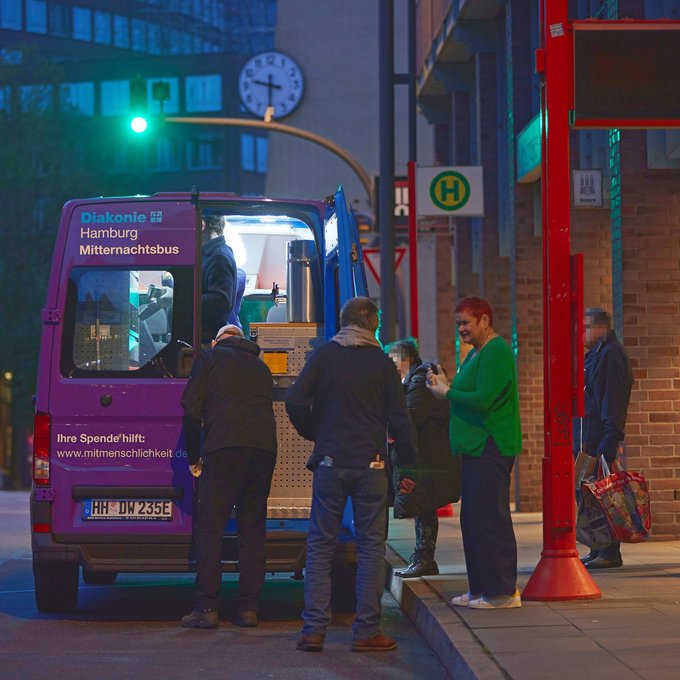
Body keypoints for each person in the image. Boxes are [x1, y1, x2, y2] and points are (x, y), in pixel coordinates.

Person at [285, 296, 418, 653]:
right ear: (372, 324)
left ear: (344, 323)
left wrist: (315, 432)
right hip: (371, 466)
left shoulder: (325, 356)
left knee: (320, 546)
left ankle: (313, 629)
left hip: (329, 463)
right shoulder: (381, 363)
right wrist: (409, 466)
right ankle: (366, 631)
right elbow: (400, 420)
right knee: (371, 548)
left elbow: (294, 399)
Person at [180, 323, 277, 629]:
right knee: (252, 530)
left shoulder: (209, 359)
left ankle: (206, 607)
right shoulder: (261, 367)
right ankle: (249, 609)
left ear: (217, 341)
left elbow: (191, 412)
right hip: (262, 451)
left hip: (223, 449)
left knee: (210, 528)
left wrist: (194, 458)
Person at [428, 296, 522, 610]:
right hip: (475, 448)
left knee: (489, 518)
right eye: (458, 324)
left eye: (466, 323)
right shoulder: (477, 354)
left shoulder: (495, 351)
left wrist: (446, 392)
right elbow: (470, 391)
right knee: (473, 518)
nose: (461, 330)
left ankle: (501, 592)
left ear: (484, 320)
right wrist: (446, 384)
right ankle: (481, 587)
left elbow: (483, 400)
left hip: (491, 447)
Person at [386, 338, 461, 578]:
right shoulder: (412, 382)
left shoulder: (420, 382)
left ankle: (425, 559)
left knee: (424, 506)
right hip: (426, 457)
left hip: (428, 459)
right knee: (422, 507)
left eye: (391, 360)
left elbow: (409, 417)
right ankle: (423, 558)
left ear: (403, 359)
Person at [574, 307, 634, 570]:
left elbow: (612, 399)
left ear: (600, 328)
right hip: (591, 440)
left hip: (599, 439)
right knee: (590, 496)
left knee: (602, 496)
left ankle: (609, 552)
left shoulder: (610, 355)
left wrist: (609, 441)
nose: (581, 333)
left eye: (586, 327)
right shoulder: (597, 355)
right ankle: (600, 549)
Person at [201, 215, 237, 344]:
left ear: (202, 224)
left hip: (206, 338)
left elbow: (221, 300)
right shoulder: (210, 253)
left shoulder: (218, 256)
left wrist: (183, 298)